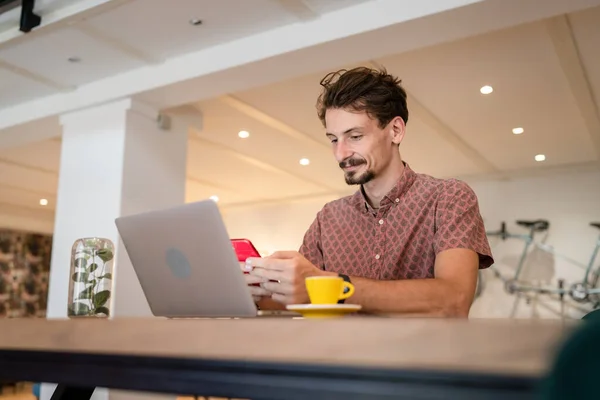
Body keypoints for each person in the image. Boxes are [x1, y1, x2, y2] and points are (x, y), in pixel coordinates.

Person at [241, 66, 494, 317]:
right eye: (333, 139)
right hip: (339, 357)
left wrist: (336, 286)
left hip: (422, 357)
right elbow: (300, 296)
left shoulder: (449, 197)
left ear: (395, 130)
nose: (341, 154)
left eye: (355, 136)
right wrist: (249, 290)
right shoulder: (328, 218)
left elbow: (454, 300)